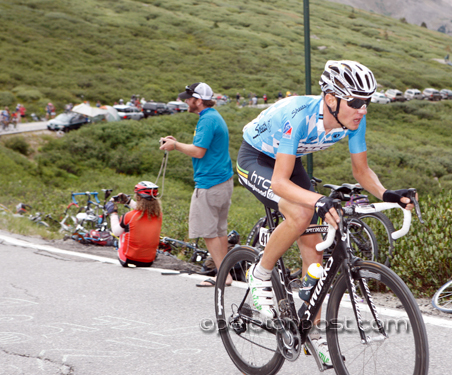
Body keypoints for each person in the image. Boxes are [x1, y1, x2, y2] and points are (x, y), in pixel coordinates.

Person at [237, 60, 416, 366]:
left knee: (316, 244)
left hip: (288, 162)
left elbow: (361, 170)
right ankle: (260, 274)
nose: (363, 110)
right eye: (357, 102)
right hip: (256, 158)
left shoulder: (353, 121)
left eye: (367, 102)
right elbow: (280, 182)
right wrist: (317, 201)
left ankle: (314, 332)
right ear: (331, 99)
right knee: (300, 214)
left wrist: (387, 194)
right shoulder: (298, 115)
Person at [160, 82, 234, 287]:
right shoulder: (213, 117)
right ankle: (225, 272)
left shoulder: (207, 120)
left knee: (209, 232)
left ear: (198, 100)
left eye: (188, 98)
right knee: (219, 231)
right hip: (223, 181)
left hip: (209, 183)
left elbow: (198, 151)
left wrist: (175, 146)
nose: (185, 101)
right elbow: (200, 147)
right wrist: (178, 143)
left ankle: (223, 275)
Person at [105, 181, 163, 267]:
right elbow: (144, 210)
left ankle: (125, 251)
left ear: (138, 197)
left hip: (128, 259)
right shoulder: (159, 215)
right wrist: (129, 202)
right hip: (149, 261)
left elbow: (116, 232)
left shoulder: (129, 216)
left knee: (124, 229)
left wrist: (113, 213)